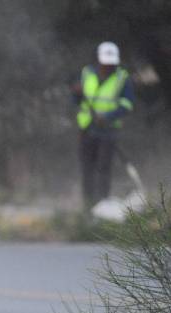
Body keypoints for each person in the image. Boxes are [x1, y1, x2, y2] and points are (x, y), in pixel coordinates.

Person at [72, 41, 134, 209]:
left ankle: (103, 205)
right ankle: (88, 207)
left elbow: (127, 105)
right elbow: (76, 101)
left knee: (103, 168)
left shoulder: (122, 78)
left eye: (111, 63)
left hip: (109, 131)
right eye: (105, 63)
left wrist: (108, 117)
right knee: (87, 168)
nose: (108, 66)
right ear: (99, 60)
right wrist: (76, 93)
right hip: (86, 129)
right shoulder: (86, 73)